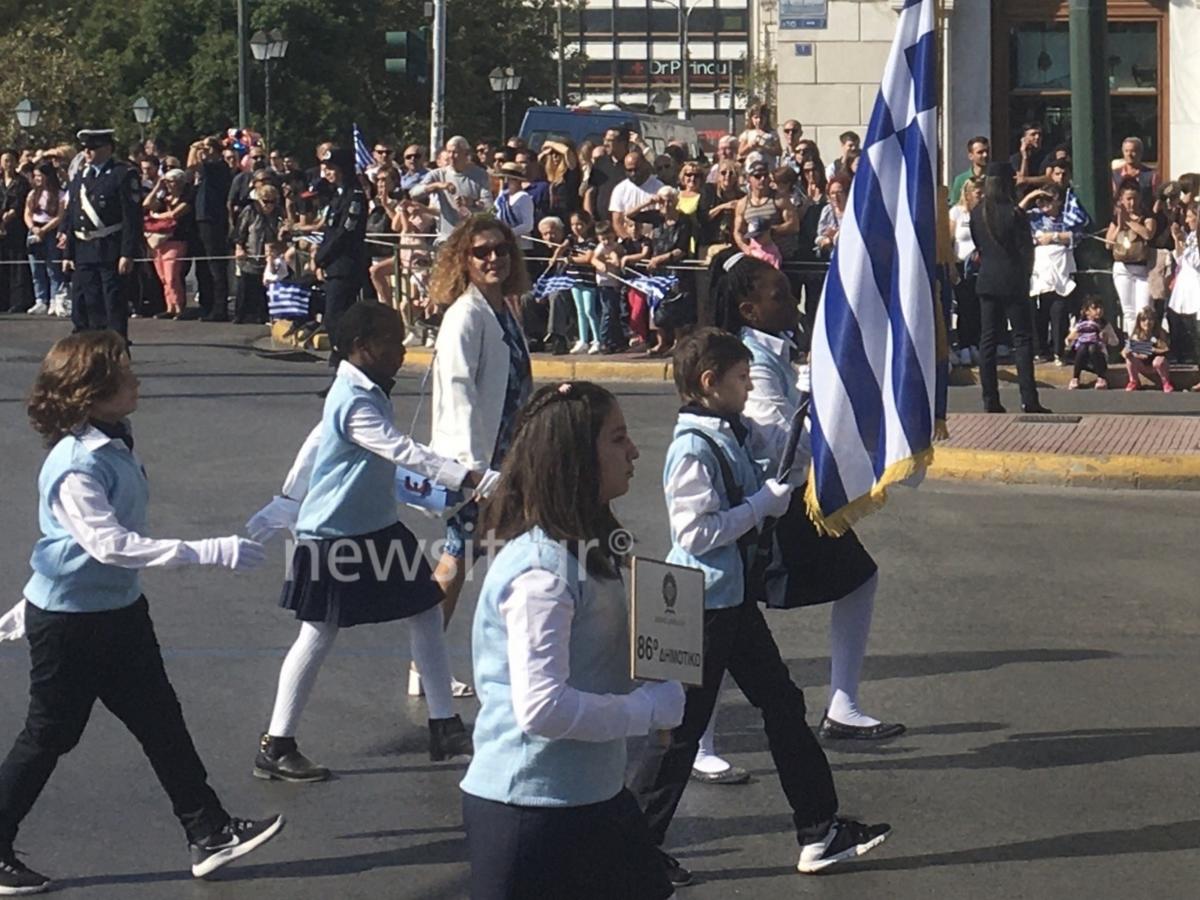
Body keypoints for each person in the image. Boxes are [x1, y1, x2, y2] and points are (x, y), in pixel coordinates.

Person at [0, 332, 282, 895]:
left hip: (117, 611)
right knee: (50, 735)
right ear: (91, 391)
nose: (137, 380)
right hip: (75, 625)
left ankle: (209, 830)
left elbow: (73, 549)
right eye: (124, 374)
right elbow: (107, 545)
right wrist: (208, 550)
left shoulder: (114, 440)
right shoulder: (77, 465)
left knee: (160, 720)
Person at [631, 328, 892, 888]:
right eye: (742, 379)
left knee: (780, 703)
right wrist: (757, 507)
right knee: (677, 731)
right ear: (710, 383)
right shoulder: (693, 447)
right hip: (696, 603)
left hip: (727, 600)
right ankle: (629, 850)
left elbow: (776, 454)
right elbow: (695, 532)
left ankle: (819, 829)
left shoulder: (731, 431)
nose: (749, 389)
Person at [245, 303, 491, 782]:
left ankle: (444, 726)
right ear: (361, 347)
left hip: (374, 529)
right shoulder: (355, 400)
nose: (402, 350)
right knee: (317, 634)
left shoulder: (364, 388)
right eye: (392, 341)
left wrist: (287, 496)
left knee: (424, 611)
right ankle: (277, 745)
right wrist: (470, 477)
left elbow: (316, 445)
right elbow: (400, 450)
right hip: (334, 537)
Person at [459, 381, 678, 900]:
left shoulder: (587, 549)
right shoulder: (541, 572)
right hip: (529, 813)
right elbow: (542, 709)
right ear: (577, 458)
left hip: (595, 797)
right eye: (618, 439)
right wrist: (646, 709)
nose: (634, 452)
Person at [713, 251, 900, 735]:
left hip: (787, 499)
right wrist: (825, 419)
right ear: (748, 310)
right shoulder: (749, 361)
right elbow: (777, 441)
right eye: (778, 296)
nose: (791, 303)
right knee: (721, 621)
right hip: (764, 507)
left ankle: (843, 705)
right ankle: (697, 741)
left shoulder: (773, 351)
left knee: (858, 578)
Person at [424, 216, 533, 696]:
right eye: (481, 252)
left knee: (496, 555)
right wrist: (473, 471)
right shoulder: (465, 315)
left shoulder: (503, 309)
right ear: (462, 261)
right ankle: (424, 663)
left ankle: (511, 659)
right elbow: (457, 391)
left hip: (508, 457)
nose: (493, 259)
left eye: (501, 250)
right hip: (479, 465)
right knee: (457, 557)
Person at [970, 161, 1049, 414]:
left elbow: (978, 245)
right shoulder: (1015, 213)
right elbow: (1026, 250)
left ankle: (990, 399)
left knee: (988, 341)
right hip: (1013, 280)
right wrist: (1025, 274)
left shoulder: (977, 212)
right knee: (1023, 339)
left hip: (987, 280)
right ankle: (1029, 399)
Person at [61, 129, 141, 343]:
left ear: (107, 148)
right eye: (85, 148)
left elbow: (131, 217)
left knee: (113, 303)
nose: (87, 152)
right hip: (83, 249)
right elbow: (72, 215)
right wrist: (68, 253)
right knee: (89, 302)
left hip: (109, 247)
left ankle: (117, 349)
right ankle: (94, 352)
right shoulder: (80, 176)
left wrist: (127, 253)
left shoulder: (122, 174)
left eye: (93, 148)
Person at [313, 147, 367, 369]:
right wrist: (321, 259)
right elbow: (328, 230)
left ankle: (346, 363)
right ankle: (341, 368)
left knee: (337, 318)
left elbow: (345, 232)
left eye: (332, 168)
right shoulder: (337, 195)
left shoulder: (354, 196)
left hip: (347, 265)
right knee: (334, 318)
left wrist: (322, 257)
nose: (328, 172)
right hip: (334, 265)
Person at [1022, 185, 1080, 364]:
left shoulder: (1067, 218)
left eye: (1049, 199)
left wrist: (1053, 237)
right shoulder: (1034, 217)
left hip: (1061, 273)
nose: (1044, 203)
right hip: (1041, 275)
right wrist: (1033, 194)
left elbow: (1076, 235)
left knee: (1059, 313)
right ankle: (1041, 351)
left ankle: (1058, 351)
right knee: (1040, 314)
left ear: (1059, 201)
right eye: (1042, 199)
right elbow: (1016, 213)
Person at [187, 137, 234, 321]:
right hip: (202, 217)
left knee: (215, 265)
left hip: (212, 219)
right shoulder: (209, 168)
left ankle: (219, 307)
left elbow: (192, 165)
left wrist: (193, 147)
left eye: (206, 148)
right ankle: (206, 304)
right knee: (203, 264)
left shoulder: (218, 166)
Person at [410, 136, 493, 241]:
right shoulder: (438, 174)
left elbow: (489, 207)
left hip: (472, 236)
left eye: (455, 152)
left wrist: (471, 202)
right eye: (449, 152)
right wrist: (437, 185)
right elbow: (414, 193)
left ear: (466, 154)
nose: (451, 156)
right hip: (447, 237)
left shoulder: (480, 175)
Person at [143, 168, 196, 320]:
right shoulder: (164, 198)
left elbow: (175, 214)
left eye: (171, 181)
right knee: (163, 277)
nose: (169, 185)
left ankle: (180, 306)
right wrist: (157, 187)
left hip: (176, 239)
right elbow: (147, 204)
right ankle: (170, 307)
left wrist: (156, 217)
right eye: (167, 182)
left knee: (172, 275)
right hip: (160, 241)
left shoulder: (186, 198)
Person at [1107, 179, 1157, 333]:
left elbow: (1148, 234)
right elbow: (1108, 243)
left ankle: (1144, 348)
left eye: (1135, 198)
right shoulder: (1116, 219)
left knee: (1143, 310)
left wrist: (1129, 221)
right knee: (1128, 312)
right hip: (1122, 268)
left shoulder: (1147, 216)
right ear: (1121, 199)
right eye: (1128, 198)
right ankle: (1134, 350)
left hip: (1142, 269)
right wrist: (1120, 226)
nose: (1132, 202)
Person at [233, 184, 282, 324]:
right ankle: (241, 315)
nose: (269, 205)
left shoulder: (278, 212)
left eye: (272, 201)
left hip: (268, 256)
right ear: (259, 199)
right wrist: (239, 248)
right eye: (265, 201)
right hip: (250, 253)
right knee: (245, 285)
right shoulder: (250, 211)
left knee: (263, 288)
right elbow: (239, 231)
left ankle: (262, 315)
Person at [23, 163, 67, 316]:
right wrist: (33, 228)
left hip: (50, 230)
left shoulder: (60, 194)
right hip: (35, 230)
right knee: (36, 268)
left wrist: (44, 230)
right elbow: (27, 213)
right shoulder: (33, 194)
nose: (37, 179)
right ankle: (40, 299)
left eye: (40, 176)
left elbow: (60, 216)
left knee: (53, 267)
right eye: (35, 176)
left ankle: (56, 299)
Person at [949, 176, 984, 365]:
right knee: (964, 306)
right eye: (978, 193)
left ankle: (974, 345)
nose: (981, 196)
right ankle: (963, 346)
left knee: (977, 307)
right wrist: (952, 266)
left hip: (979, 265)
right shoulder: (956, 212)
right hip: (961, 265)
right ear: (969, 194)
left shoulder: (983, 213)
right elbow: (950, 240)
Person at [1167, 204, 1200, 372]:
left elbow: (1196, 262)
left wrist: (1184, 243)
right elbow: (1181, 259)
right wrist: (1177, 239)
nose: (1187, 220)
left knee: (1198, 329)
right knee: (1187, 327)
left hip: (1196, 285)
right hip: (1185, 286)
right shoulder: (1191, 236)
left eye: (1190, 216)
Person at [0, 150, 33, 313]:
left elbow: (19, 203)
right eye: (5, 160)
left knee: (17, 265)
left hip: (16, 229)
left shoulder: (21, 182)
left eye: (11, 160)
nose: (8, 164)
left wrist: (8, 216)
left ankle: (18, 301)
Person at [566, 210, 601, 354]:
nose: (576, 227)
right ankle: (583, 340)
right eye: (573, 225)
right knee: (580, 311)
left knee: (589, 310)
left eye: (579, 224)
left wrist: (571, 259)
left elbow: (588, 259)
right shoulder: (571, 241)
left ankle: (597, 339)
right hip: (575, 279)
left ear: (587, 225)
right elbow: (561, 248)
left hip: (588, 281)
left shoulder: (591, 242)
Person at [1066, 297, 1118, 390]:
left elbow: (1115, 342)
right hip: (1083, 359)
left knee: (1092, 347)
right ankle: (1075, 378)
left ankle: (1101, 378)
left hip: (1099, 359)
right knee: (1083, 347)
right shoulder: (1080, 324)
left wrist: (1106, 339)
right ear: (1087, 311)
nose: (1099, 311)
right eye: (1095, 308)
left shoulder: (1105, 325)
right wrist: (1071, 338)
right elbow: (1068, 342)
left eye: (1101, 308)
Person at [1122, 306, 1173, 392]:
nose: (1147, 322)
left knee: (1159, 361)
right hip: (1142, 364)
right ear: (1139, 322)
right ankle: (1134, 381)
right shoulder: (1136, 335)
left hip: (1156, 364)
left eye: (1150, 320)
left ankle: (1165, 382)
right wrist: (1134, 353)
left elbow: (1166, 349)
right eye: (1143, 320)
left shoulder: (1159, 333)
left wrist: (1152, 349)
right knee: (1129, 359)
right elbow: (1124, 351)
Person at [492, 161, 535, 248]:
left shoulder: (523, 197)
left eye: (509, 178)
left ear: (518, 180)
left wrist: (509, 233)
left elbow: (528, 225)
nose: (505, 182)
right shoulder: (501, 199)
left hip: (521, 246)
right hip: (503, 244)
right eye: (503, 178)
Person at [1111, 136, 1160, 207]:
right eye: (1126, 151)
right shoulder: (1115, 174)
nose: (1129, 154)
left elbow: (1156, 200)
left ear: (1140, 152)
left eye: (1132, 151)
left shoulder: (1152, 175)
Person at [737, 103, 782, 168]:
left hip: (768, 166)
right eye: (756, 117)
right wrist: (750, 146)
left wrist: (764, 147)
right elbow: (740, 152)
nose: (759, 120)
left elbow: (779, 151)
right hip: (752, 166)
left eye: (761, 117)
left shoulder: (772, 134)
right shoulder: (747, 133)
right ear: (751, 119)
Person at [949, 137, 990, 207]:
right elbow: (954, 206)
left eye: (987, 151)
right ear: (971, 156)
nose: (985, 155)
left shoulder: (995, 178)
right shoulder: (960, 180)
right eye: (980, 152)